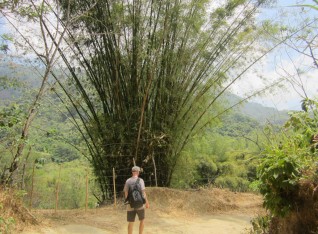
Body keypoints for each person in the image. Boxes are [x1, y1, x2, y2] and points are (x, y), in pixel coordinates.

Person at [124, 166, 150, 234]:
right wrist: (147, 202)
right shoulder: (140, 180)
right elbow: (143, 193)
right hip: (140, 204)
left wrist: (129, 202)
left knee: (131, 223)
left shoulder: (128, 181)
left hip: (130, 205)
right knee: (142, 220)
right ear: (138, 172)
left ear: (132, 172)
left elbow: (126, 193)